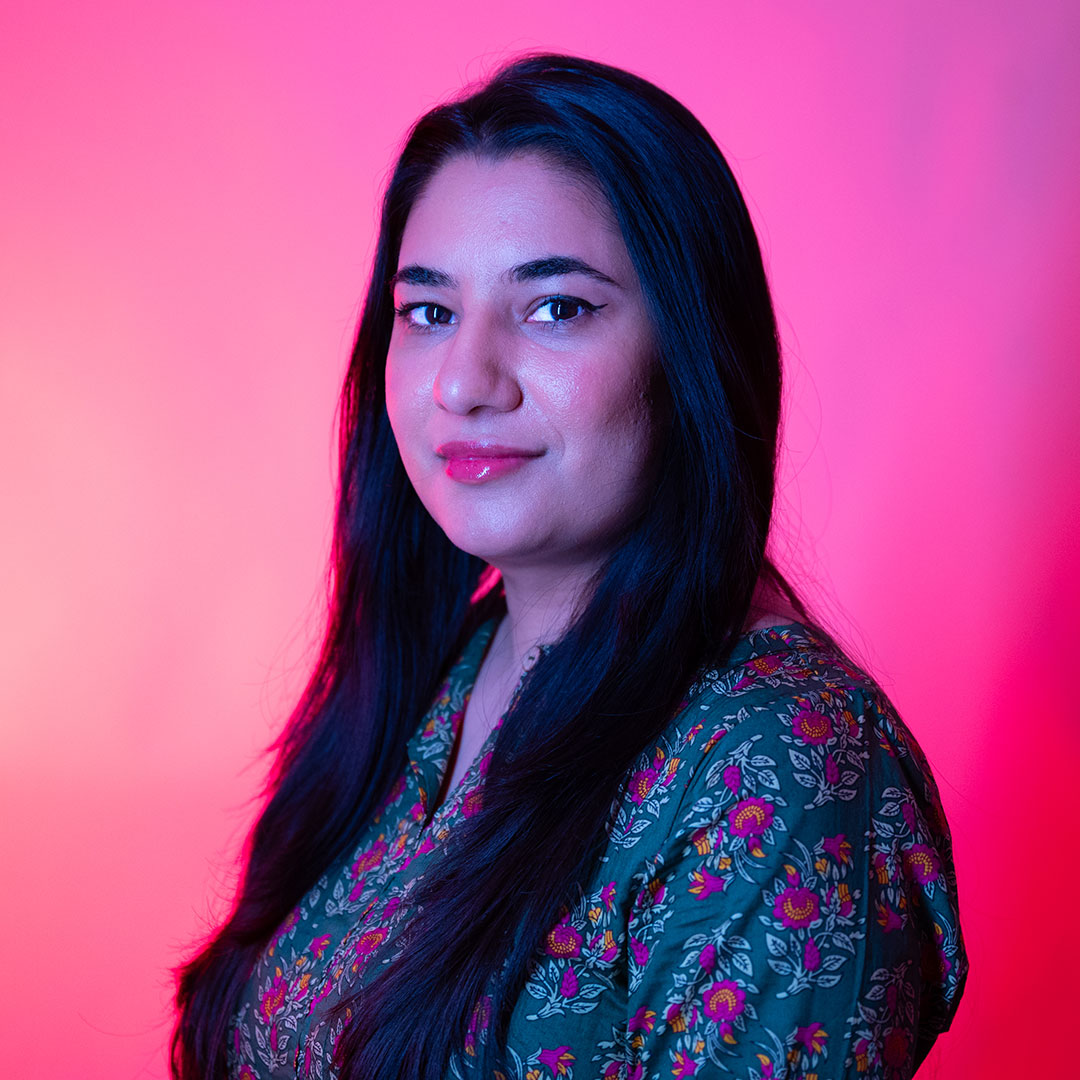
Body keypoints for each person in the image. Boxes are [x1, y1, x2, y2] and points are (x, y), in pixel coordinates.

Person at [172, 54, 966, 1080]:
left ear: (691, 351)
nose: (465, 381)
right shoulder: (435, 674)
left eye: (556, 308)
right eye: (429, 312)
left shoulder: (781, 763)